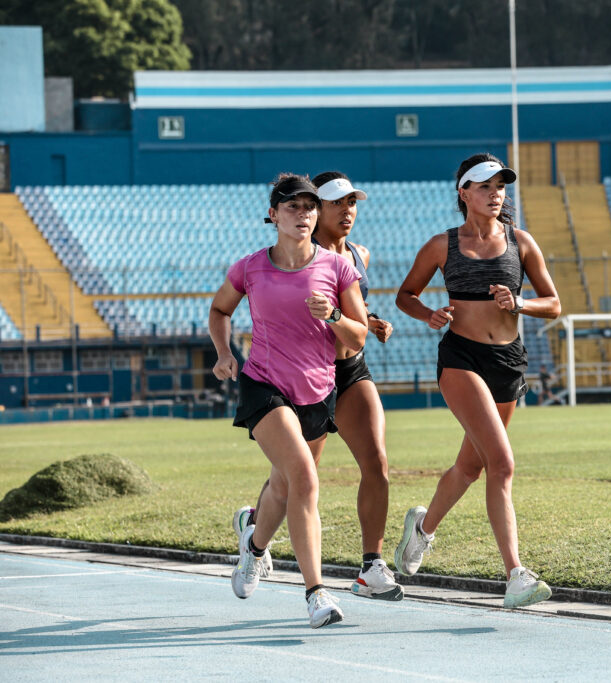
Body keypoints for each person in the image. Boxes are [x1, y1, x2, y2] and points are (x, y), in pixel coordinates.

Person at [393, 152, 561, 608]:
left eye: (500, 187)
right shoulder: (440, 245)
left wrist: (520, 305)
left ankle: (421, 531)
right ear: (463, 192)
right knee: (502, 463)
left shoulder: (521, 243)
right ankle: (516, 575)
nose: (495, 194)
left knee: (470, 467)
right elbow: (405, 294)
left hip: (508, 362)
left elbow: (554, 303)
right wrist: (429, 313)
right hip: (461, 359)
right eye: (485, 187)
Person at [231, 172, 403, 602]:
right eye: (336, 204)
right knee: (294, 476)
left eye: (352, 203)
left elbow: (353, 313)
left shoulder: (356, 255)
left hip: (350, 369)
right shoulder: (293, 252)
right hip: (302, 374)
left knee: (377, 462)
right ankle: (257, 533)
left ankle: (371, 564)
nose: (346, 211)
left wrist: (370, 321)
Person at [210, 173, 367, 628]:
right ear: (273, 214)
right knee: (304, 476)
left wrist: (334, 315)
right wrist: (224, 353)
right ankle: (317, 593)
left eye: (310, 207)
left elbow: (358, 338)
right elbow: (220, 310)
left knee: (283, 484)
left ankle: (253, 548)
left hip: (317, 392)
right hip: (263, 385)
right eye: (293, 207)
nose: (303, 215)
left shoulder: (338, 269)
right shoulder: (251, 267)